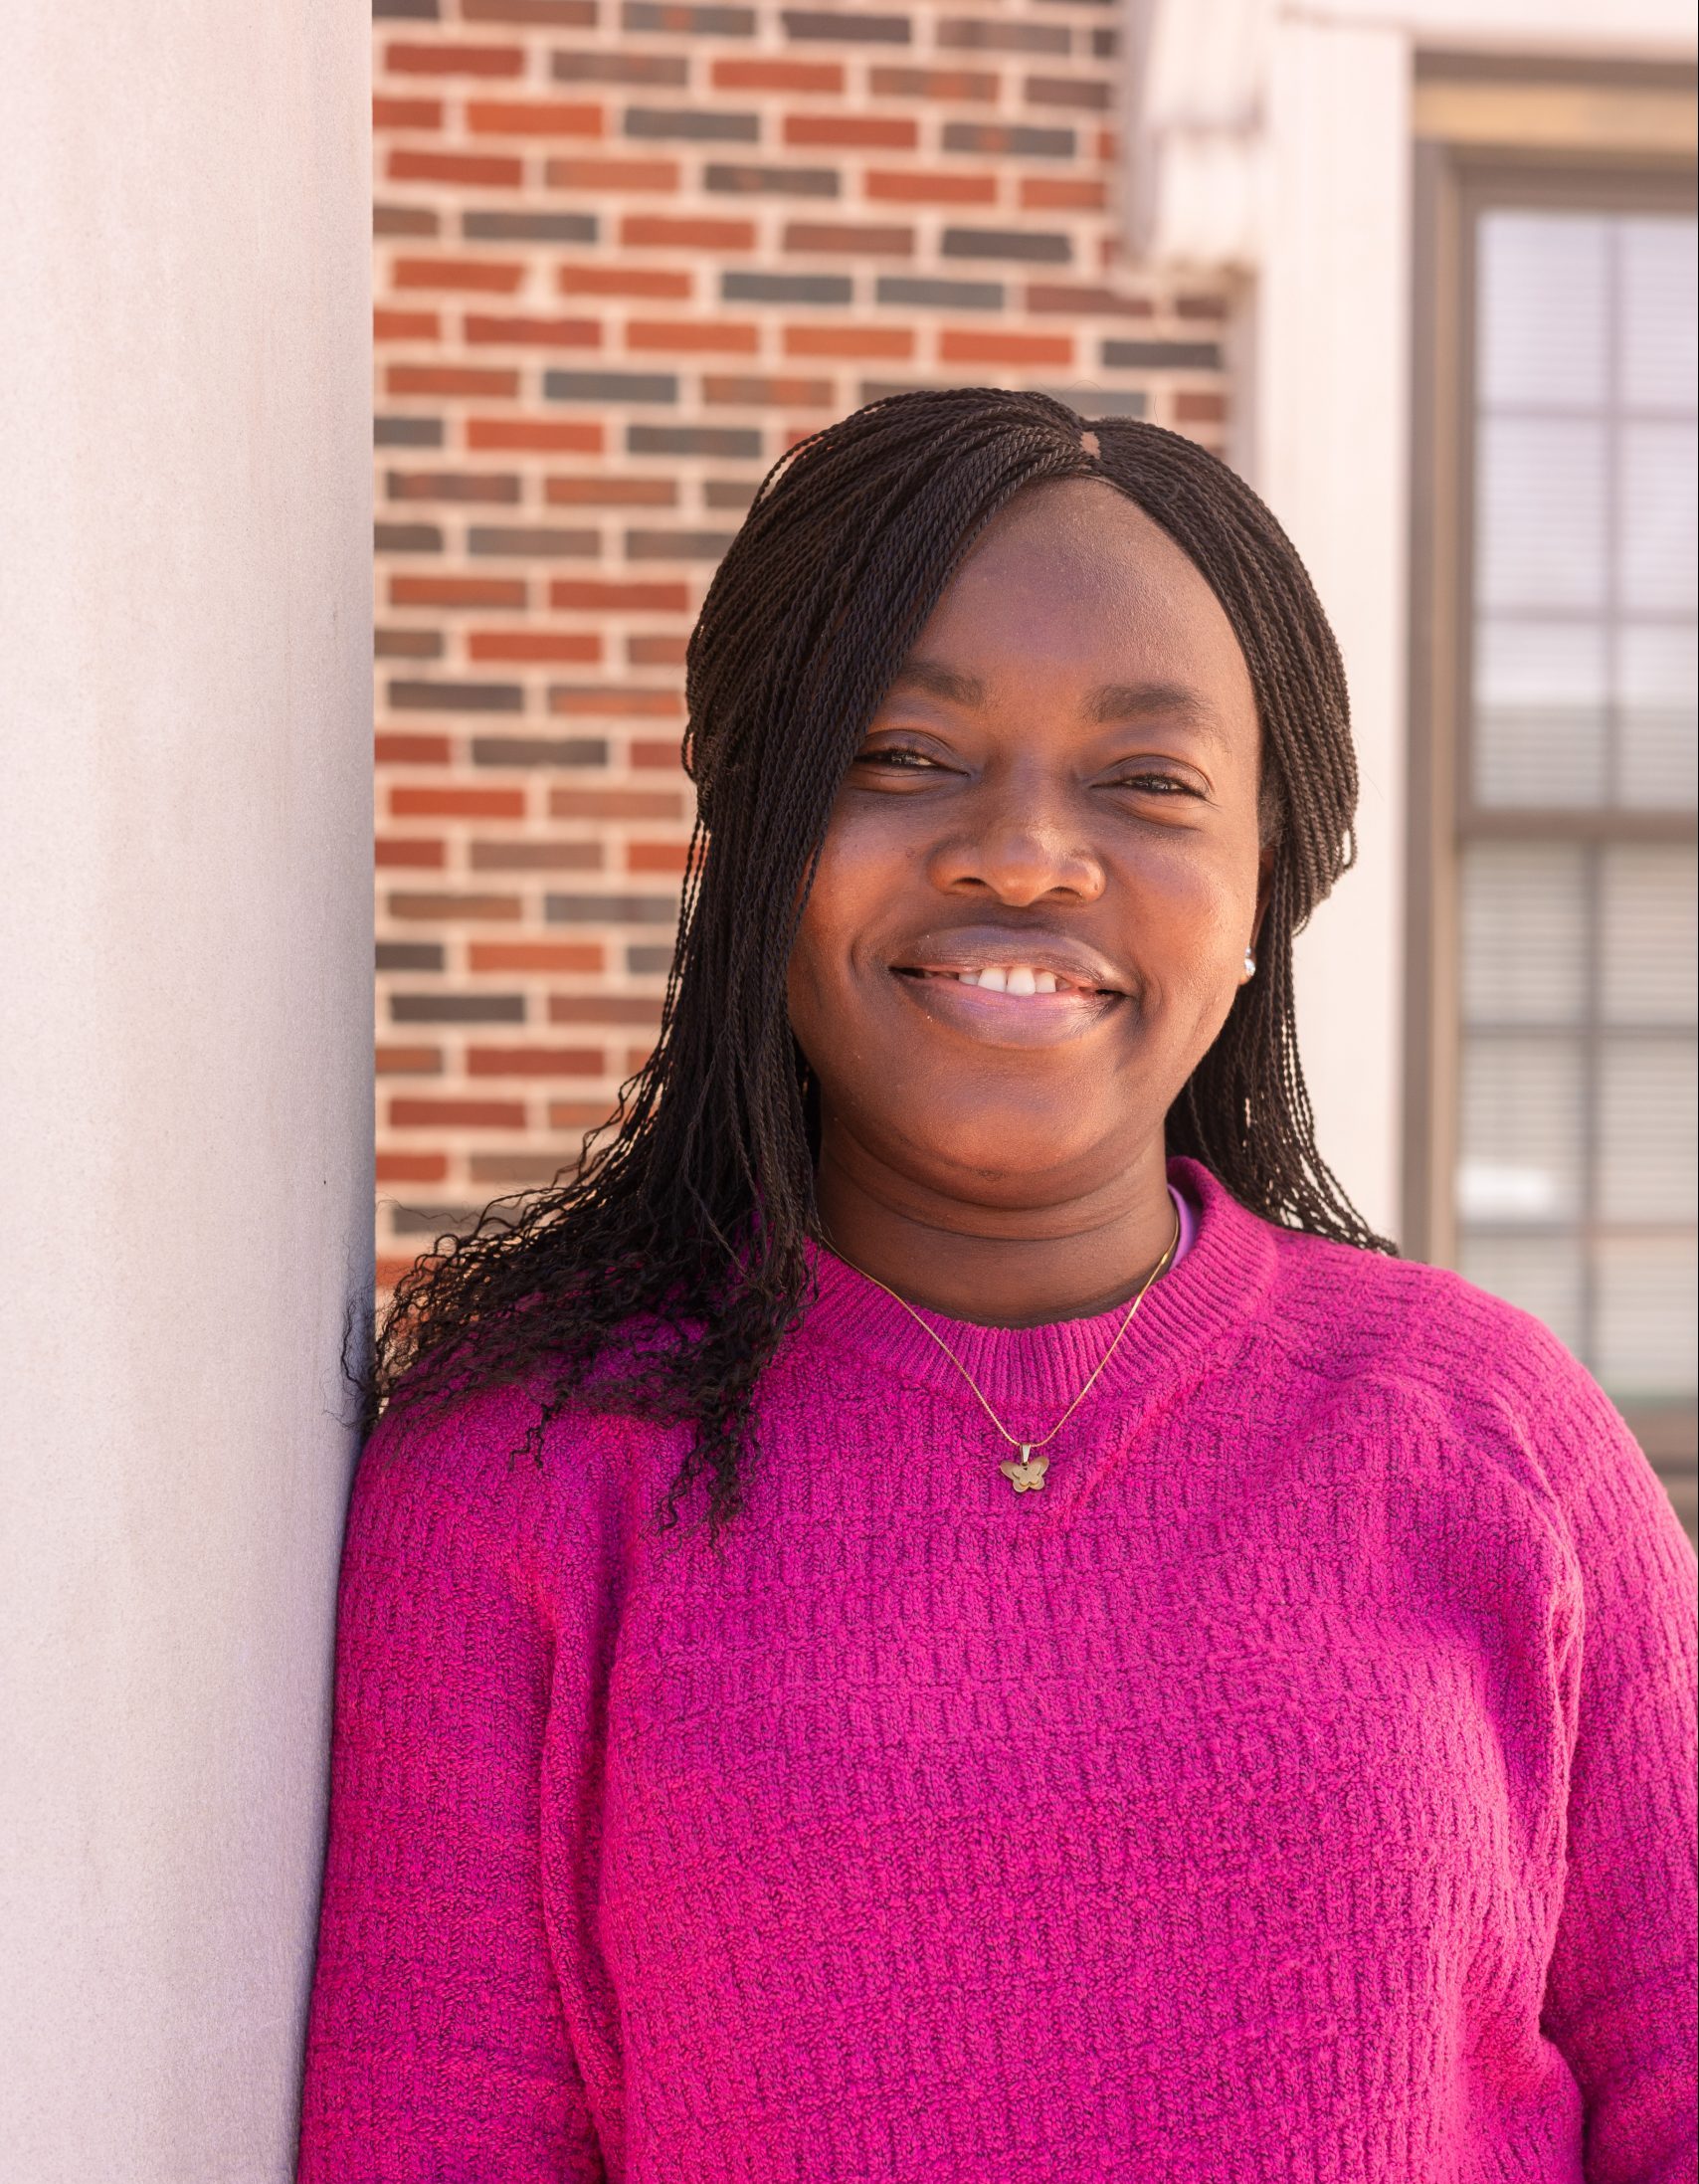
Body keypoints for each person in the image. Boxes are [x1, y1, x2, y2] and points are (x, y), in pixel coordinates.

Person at [296, 389, 1697, 2182]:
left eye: (1149, 781)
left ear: (1265, 880)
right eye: (902, 756)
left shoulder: (1495, 1436)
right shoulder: (526, 1467)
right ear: (750, 842)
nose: (1026, 852)